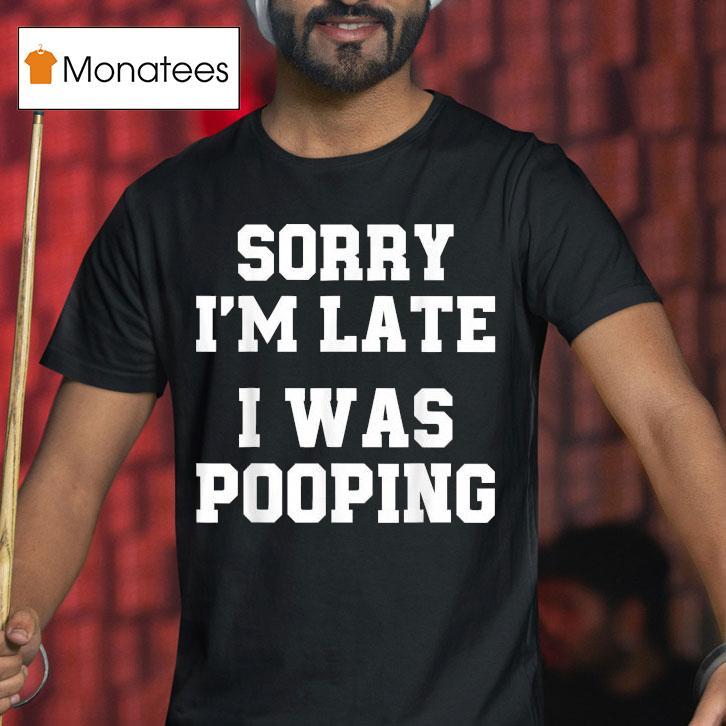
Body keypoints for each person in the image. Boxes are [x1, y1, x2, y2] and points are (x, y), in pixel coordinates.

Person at [1, 0, 724, 723]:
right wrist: (14, 623)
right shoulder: (165, 210)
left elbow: (664, 414)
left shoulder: (524, 187)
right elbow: (70, 475)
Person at [538, 522, 699, 725]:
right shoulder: (544, 703)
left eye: (567, 607)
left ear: (629, 619)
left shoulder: (703, 698)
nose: (550, 627)